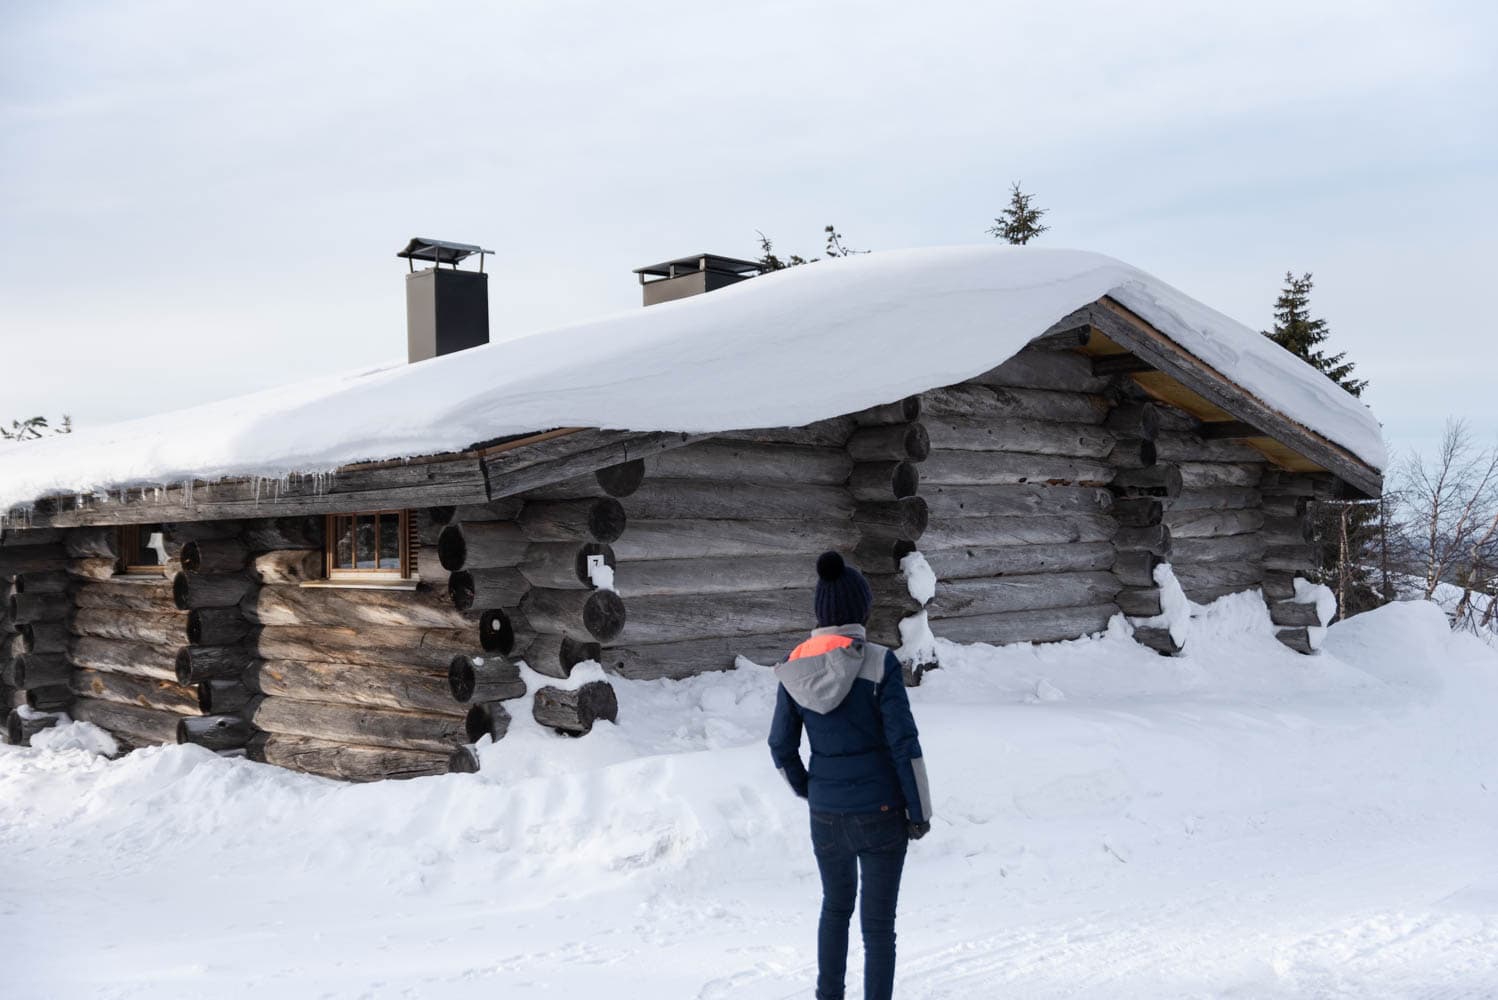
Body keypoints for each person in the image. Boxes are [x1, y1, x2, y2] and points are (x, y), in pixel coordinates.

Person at [768, 551, 932, 1000]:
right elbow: (905, 746)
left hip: (826, 814)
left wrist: (810, 789)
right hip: (881, 814)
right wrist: (919, 813)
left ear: (821, 613)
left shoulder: (794, 665)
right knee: (878, 928)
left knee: (835, 909)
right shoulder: (880, 663)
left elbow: (780, 747)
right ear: (862, 610)